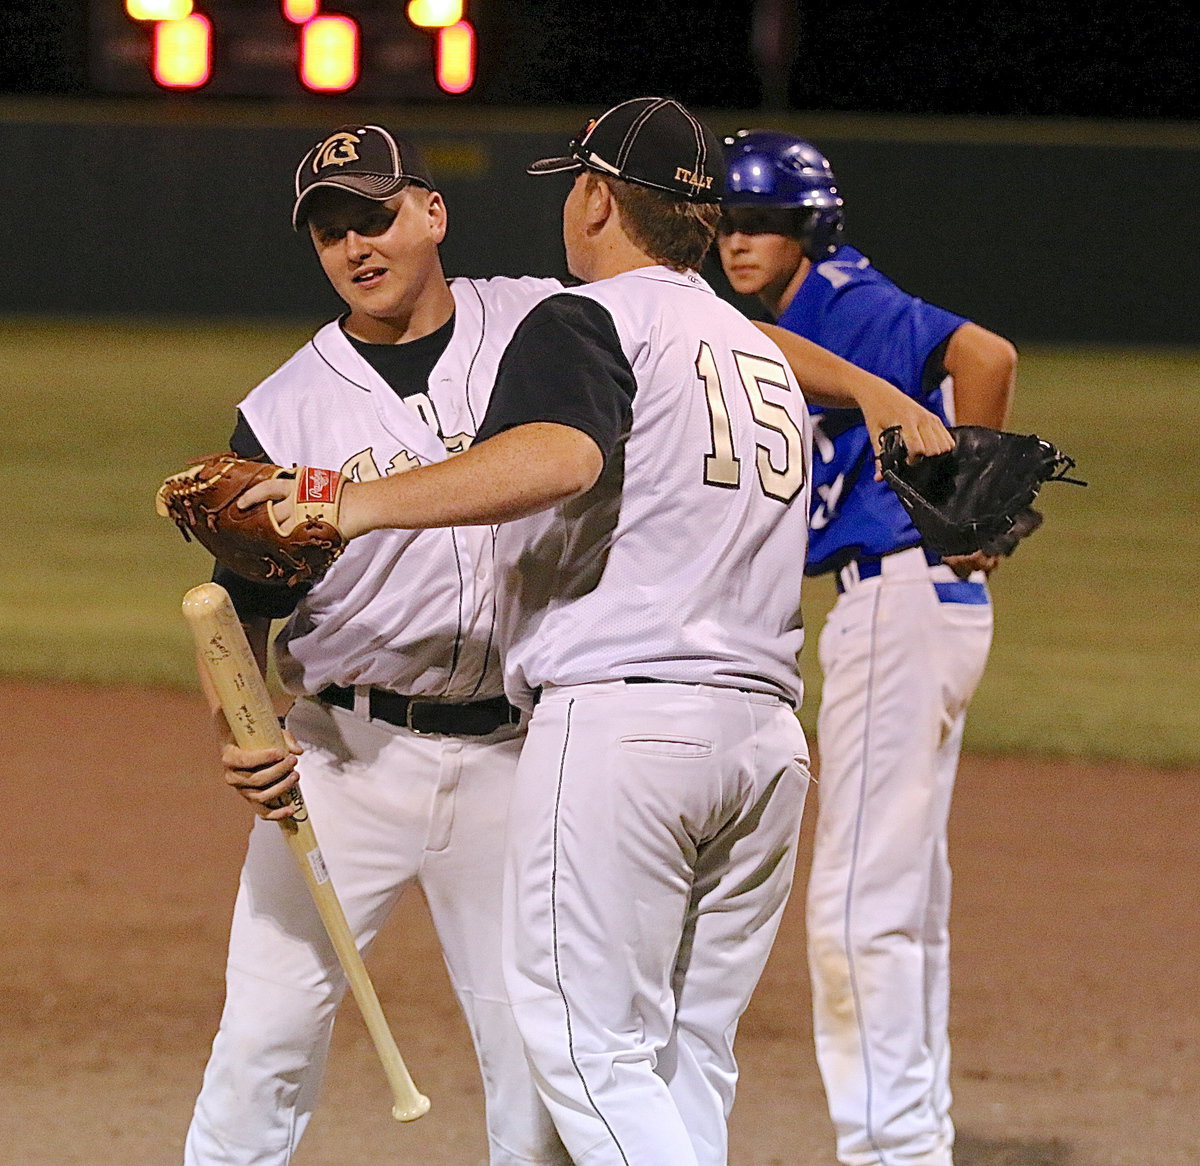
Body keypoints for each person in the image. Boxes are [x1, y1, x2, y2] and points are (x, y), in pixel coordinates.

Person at [244, 96, 953, 1166]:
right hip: (763, 745)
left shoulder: (590, 318)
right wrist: (874, 391)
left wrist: (351, 503)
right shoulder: (745, 347)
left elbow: (564, 458)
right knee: (685, 1054)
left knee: (584, 1050)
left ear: (595, 198)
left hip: (631, 730)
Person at [183, 122, 572, 1166]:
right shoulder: (281, 408)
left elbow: (690, 329)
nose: (358, 247)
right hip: (345, 761)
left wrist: (879, 393)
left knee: (538, 1056)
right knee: (262, 1036)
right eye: (331, 232)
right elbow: (233, 609)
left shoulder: (539, 320)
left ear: (432, 213)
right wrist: (246, 733)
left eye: (377, 215)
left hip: (516, 756)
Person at [718, 129, 1018, 1166]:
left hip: (900, 602)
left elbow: (985, 354)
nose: (742, 239)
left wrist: (967, 505)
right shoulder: (810, 306)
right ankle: (915, 1134)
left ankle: (890, 1148)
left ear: (812, 229)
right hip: (914, 608)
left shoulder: (837, 299)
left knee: (855, 904)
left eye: (767, 221)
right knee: (905, 896)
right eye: (730, 220)